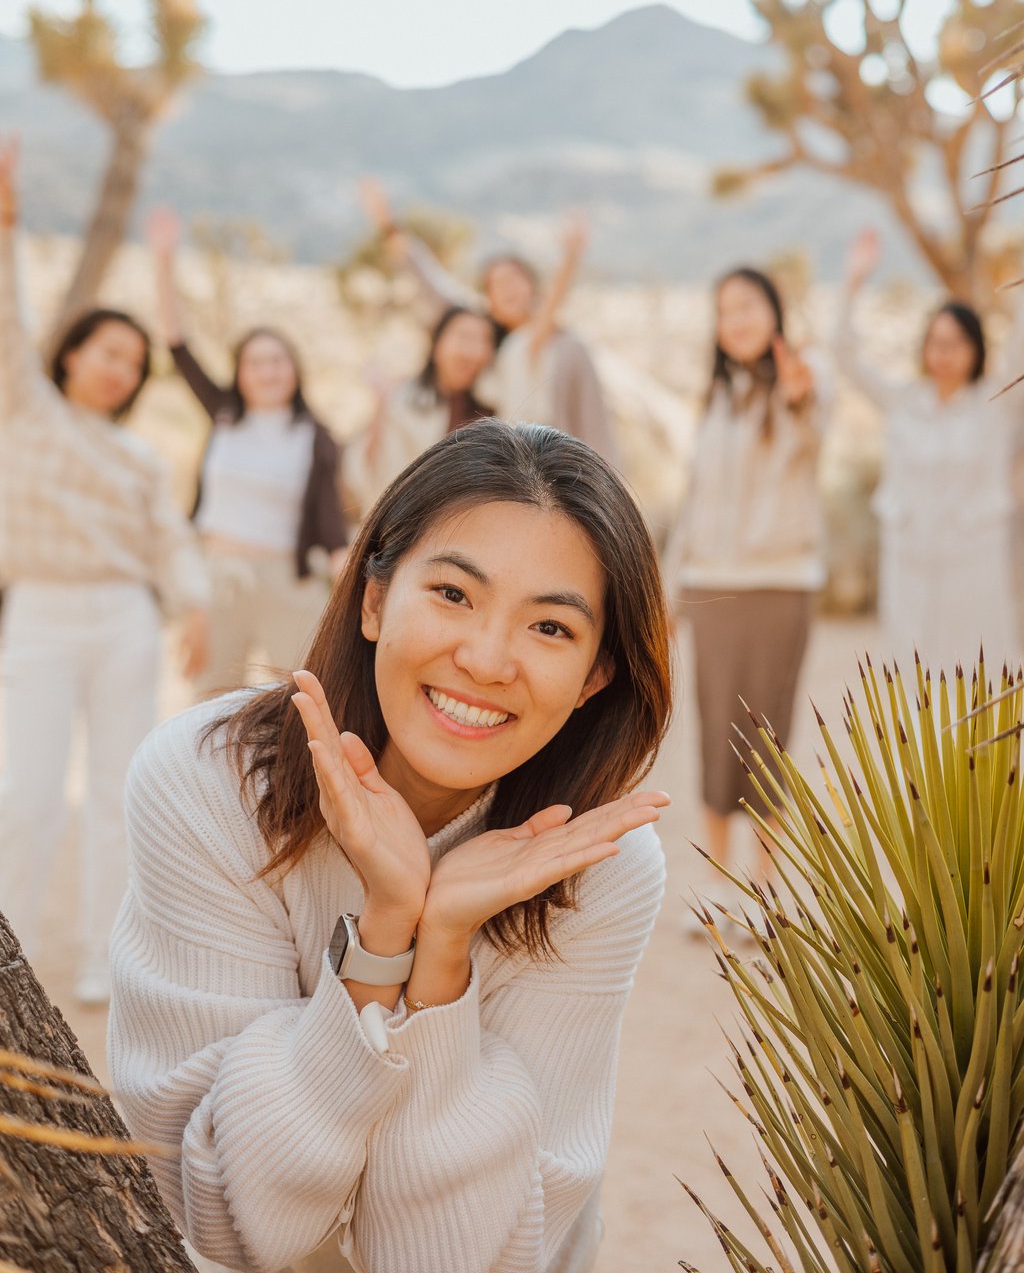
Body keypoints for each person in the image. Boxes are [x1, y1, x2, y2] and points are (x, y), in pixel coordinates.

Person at [108, 419, 672, 1273]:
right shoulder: (207, 784)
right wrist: (382, 936)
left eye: (550, 628)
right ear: (373, 598)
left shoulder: (603, 869)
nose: (485, 659)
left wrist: (442, 958)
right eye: (452, 594)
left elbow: (453, 1261)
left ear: (597, 675)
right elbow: (227, 1225)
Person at [0, 140, 209, 1005]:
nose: (119, 365)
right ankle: (10, 961)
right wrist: (7, 228)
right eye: (106, 349)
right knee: (23, 792)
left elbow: (171, 542)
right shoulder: (25, 409)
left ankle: (101, 957)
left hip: (125, 619)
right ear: (73, 354)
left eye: (133, 359)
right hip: (41, 613)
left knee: (121, 795)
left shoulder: (140, 456)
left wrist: (192, 608)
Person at [663, 266, 828, 898]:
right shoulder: (716, 400)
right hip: (712, 584)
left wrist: (797, 398)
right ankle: (713, 878)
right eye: (725, 308)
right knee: (714, 726)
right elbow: (695, 501)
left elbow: (811, 434)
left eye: (749, 305)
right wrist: (673, 589)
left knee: (768, 731)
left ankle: (763, 883)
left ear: (774, 312)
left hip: (780, 582)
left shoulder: (802, 380)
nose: (737, 319)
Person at [149, 206, 349, 695]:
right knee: (208, 701)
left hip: (290, 582)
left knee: (294, 702)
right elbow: (176, 343)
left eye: (278, 360)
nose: (268, 370)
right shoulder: (223, 414)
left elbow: (331, 522)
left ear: (295, 370)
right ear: (239, 372)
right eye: (255, 361)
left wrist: (356, 585)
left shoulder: (315, 434)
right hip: (220, 577)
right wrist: (163, 260)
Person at [838, 227, 1024, 674]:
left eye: (956, 343)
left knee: (980, 674)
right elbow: (846, 355)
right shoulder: (903, 401)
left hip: (975, 569)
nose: (943, 354)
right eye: (935, 342)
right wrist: (853, 282)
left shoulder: (997, 405)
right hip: (909, 567)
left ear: (976, 348)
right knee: (912, 676)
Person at [359, 179, 619, 463]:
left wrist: (570, 258)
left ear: (532, 287)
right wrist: (387, 224)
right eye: (499, 283)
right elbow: (429, 283)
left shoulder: (542, 341)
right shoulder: (486, 335)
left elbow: (548, 315)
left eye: (515, 279)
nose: (509, 289)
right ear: (488, 300)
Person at [344, 303, 496, 518]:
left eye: (485, 340)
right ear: (437, 345)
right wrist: (381, 407)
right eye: (464, 337)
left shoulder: (492, 406)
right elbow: (367, 473)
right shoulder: (401, 397)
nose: (475, 350)